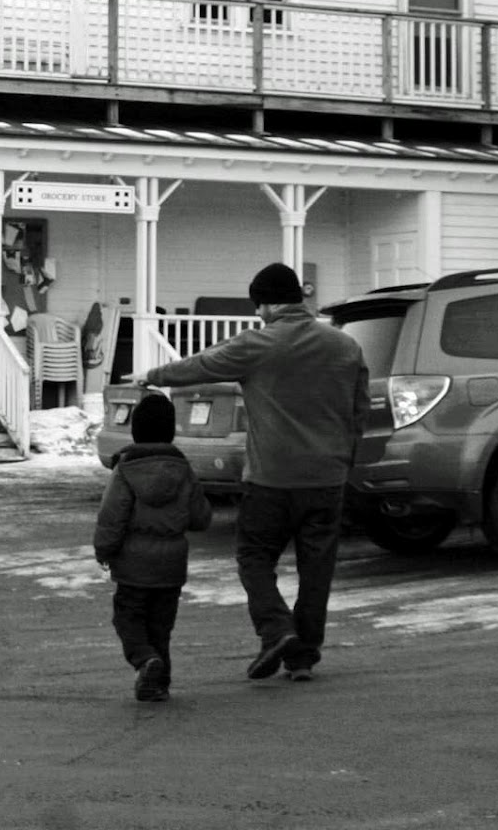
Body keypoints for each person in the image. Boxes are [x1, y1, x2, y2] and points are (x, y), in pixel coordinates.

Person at [141, 262, 369, 683]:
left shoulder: (258, 344)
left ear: (265, 303)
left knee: (254, 557)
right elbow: (360, 411)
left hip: (272, 480)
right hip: (328, 479)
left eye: (257, 305)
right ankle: (303, 657)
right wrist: (343, 460)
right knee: (316, 568)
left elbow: (201, 366)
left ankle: (276, 629)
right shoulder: (345, 347)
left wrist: (153, 376)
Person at [93, 391, 214, 702]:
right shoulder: (183, 469)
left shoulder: (126, 469)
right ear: (171, 430)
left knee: (128, 618)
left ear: (135, 430)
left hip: (133, 563)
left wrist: (104, 550)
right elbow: (201, 517)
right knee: (161, 626)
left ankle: (145, 660)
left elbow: (112, 515)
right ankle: (158, 683)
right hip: (171, 565)